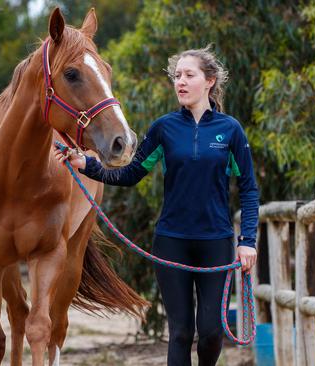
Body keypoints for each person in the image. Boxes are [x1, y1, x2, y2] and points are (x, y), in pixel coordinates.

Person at [55, 45, 259, 366]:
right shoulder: (164, 128)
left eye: (188, 75)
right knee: (179, 332)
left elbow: (248, 189)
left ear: (209, 81)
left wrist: (248, 241)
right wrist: (87, 165)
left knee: (210, 332)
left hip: (216, 242)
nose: (180, 81)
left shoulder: (229, 130)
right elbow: (131, 173)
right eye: (177, 76)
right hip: (171, 241)